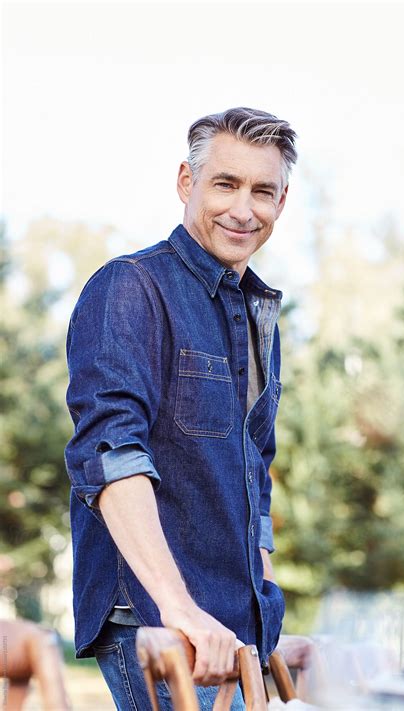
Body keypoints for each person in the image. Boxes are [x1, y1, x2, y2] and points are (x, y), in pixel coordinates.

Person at [65, 107, 297, 710]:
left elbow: (255, 472)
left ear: (282, 200)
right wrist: (179, 606)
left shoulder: (257, 315)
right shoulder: (130, 288)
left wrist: (264, 599)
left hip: (234, 633)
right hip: (162, 625)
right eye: (226, 183)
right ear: (186, 183)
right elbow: (109, 456)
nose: (244, 209)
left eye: (262, 191)